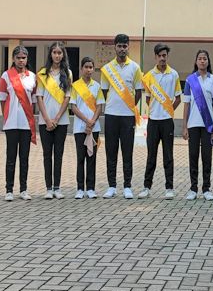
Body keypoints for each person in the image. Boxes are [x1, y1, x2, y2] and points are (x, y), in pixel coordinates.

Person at [100, 33, 143, 199]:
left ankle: (127, 186)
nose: (122, 49)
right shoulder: (107, 69)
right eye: (119, 46)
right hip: (111, 115)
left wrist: (129, 105)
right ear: (115, 47)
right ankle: (112, 186)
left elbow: (138, 92)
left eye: (125, 46)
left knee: (127, 151)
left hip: (128, 116)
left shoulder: (135, 68)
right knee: (111, 151)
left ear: (128, 47)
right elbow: (104, 91)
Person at [140, 43, 182, 199]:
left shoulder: (174, 74)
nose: (162, 58)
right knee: (151, 155)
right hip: (153, 121)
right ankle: (146, 187)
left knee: (168, 156)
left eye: (164, 55)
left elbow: (178, 98)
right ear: (155, 57)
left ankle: (169, 188)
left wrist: (169, 110)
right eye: (160, 56)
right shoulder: (149, 76)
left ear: (167, 56)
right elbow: (148, 98)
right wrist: (155, 110)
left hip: (167, 121)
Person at [0, 45, 37, 201]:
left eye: (23, 58)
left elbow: (33, 101)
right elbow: (2, 100)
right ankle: (9, 190)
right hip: (11, 123)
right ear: (13, 59)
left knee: (24, 158)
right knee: (10, 158)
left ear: (27, 59)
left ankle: (23, 189)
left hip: (26, 124)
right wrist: (7, 116)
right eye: (18, 58)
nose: (21, 60)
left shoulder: (32, 76)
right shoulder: (6, 76)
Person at [182, 50, 213, 201]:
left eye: (205, 58)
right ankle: (193, 189)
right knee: (193, 156)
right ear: (196, 61)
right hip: (193, 124)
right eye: (200, 58)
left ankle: (206, 188)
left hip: (208, 125)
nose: (202, 61)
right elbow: (186, 104)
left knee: (207, 157)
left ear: (208, 61)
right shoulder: (190, 80)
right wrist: (184, 126)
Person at [36, 42, 72, 200]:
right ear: (50, 54)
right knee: (47, 154)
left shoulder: (68, 73)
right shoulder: (43, 74)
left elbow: (67, 97)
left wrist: (57, 118)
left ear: (63, 55)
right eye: (54, 52)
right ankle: (48, 188)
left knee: (59, 154)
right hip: (45, 121)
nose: (57, 55)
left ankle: (57, 187)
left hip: (61, 121)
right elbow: (39, 97)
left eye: (60, 53)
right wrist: (47, 119)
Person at [70, 57, 105, 199]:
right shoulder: (75, 86)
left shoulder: (97, 86)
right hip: (80, 128)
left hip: (94, 128)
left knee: (92, 158)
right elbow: (73, 107)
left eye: (91, 67)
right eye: (86, 67)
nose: (89, 70)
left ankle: (90, 188)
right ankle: (80, 188)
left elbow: (99, 106)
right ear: (81, 68)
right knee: (80, 158)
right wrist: (86, 121)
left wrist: (92, 122)